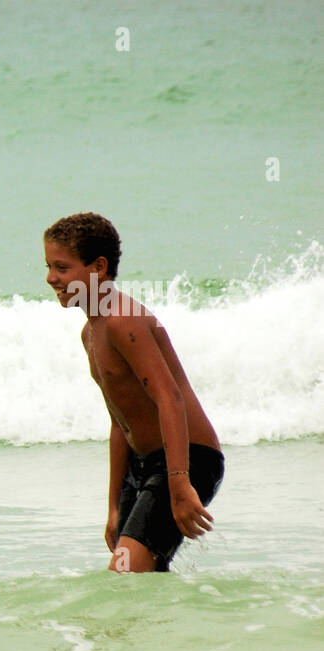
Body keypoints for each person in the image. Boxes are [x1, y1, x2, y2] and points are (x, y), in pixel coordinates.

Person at [43, 212, 224, 572]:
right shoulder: (91, 332)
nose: (51, 278)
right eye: (48, 266)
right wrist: (113, 507)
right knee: (137, 583)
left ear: (97, 267)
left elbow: (168, 398)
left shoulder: (123, 320)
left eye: (61, 268)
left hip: (187, 458)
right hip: (143, 467)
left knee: (122, 575)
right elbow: (119, 423)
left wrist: (179, 483)